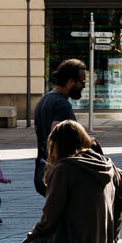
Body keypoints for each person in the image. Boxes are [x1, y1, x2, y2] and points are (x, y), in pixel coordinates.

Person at [34, 59, 88, 196]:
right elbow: (57, 135)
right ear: (71, 82)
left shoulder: (44, 100)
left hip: (43, 168)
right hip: (59, 172)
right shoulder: (62, 105)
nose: (84, 86)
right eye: (83, 82)